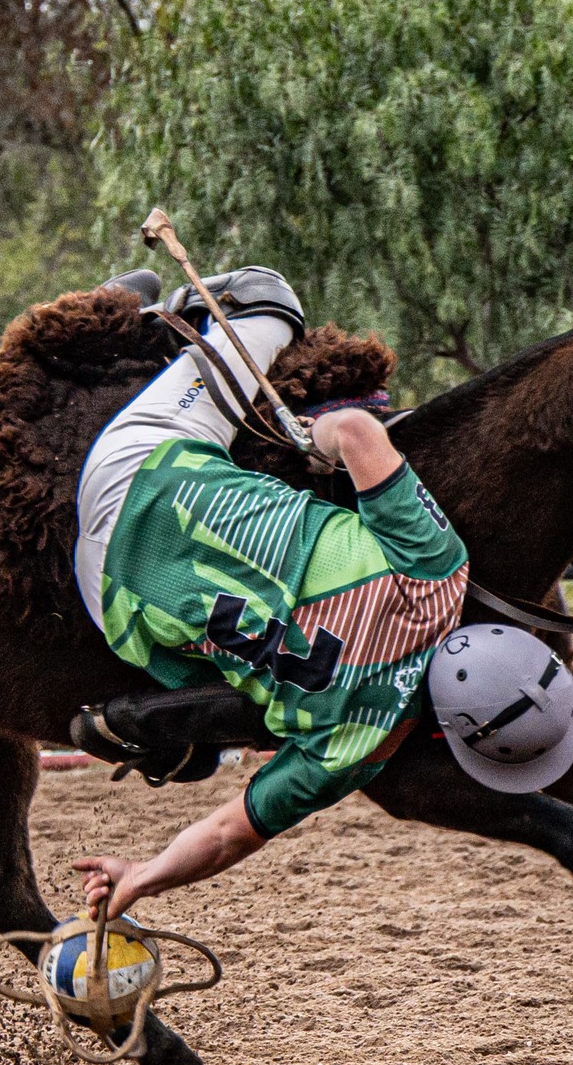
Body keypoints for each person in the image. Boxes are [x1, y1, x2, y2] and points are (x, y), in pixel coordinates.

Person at [69, 266, 471, 921]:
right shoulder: (361, 749)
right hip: (110, 596)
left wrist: (310, 443)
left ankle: (126, 315)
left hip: (136, 467)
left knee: (270, 298)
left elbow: (360, 432)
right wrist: (141, 877)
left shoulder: (437, 576)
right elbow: (229, 834)